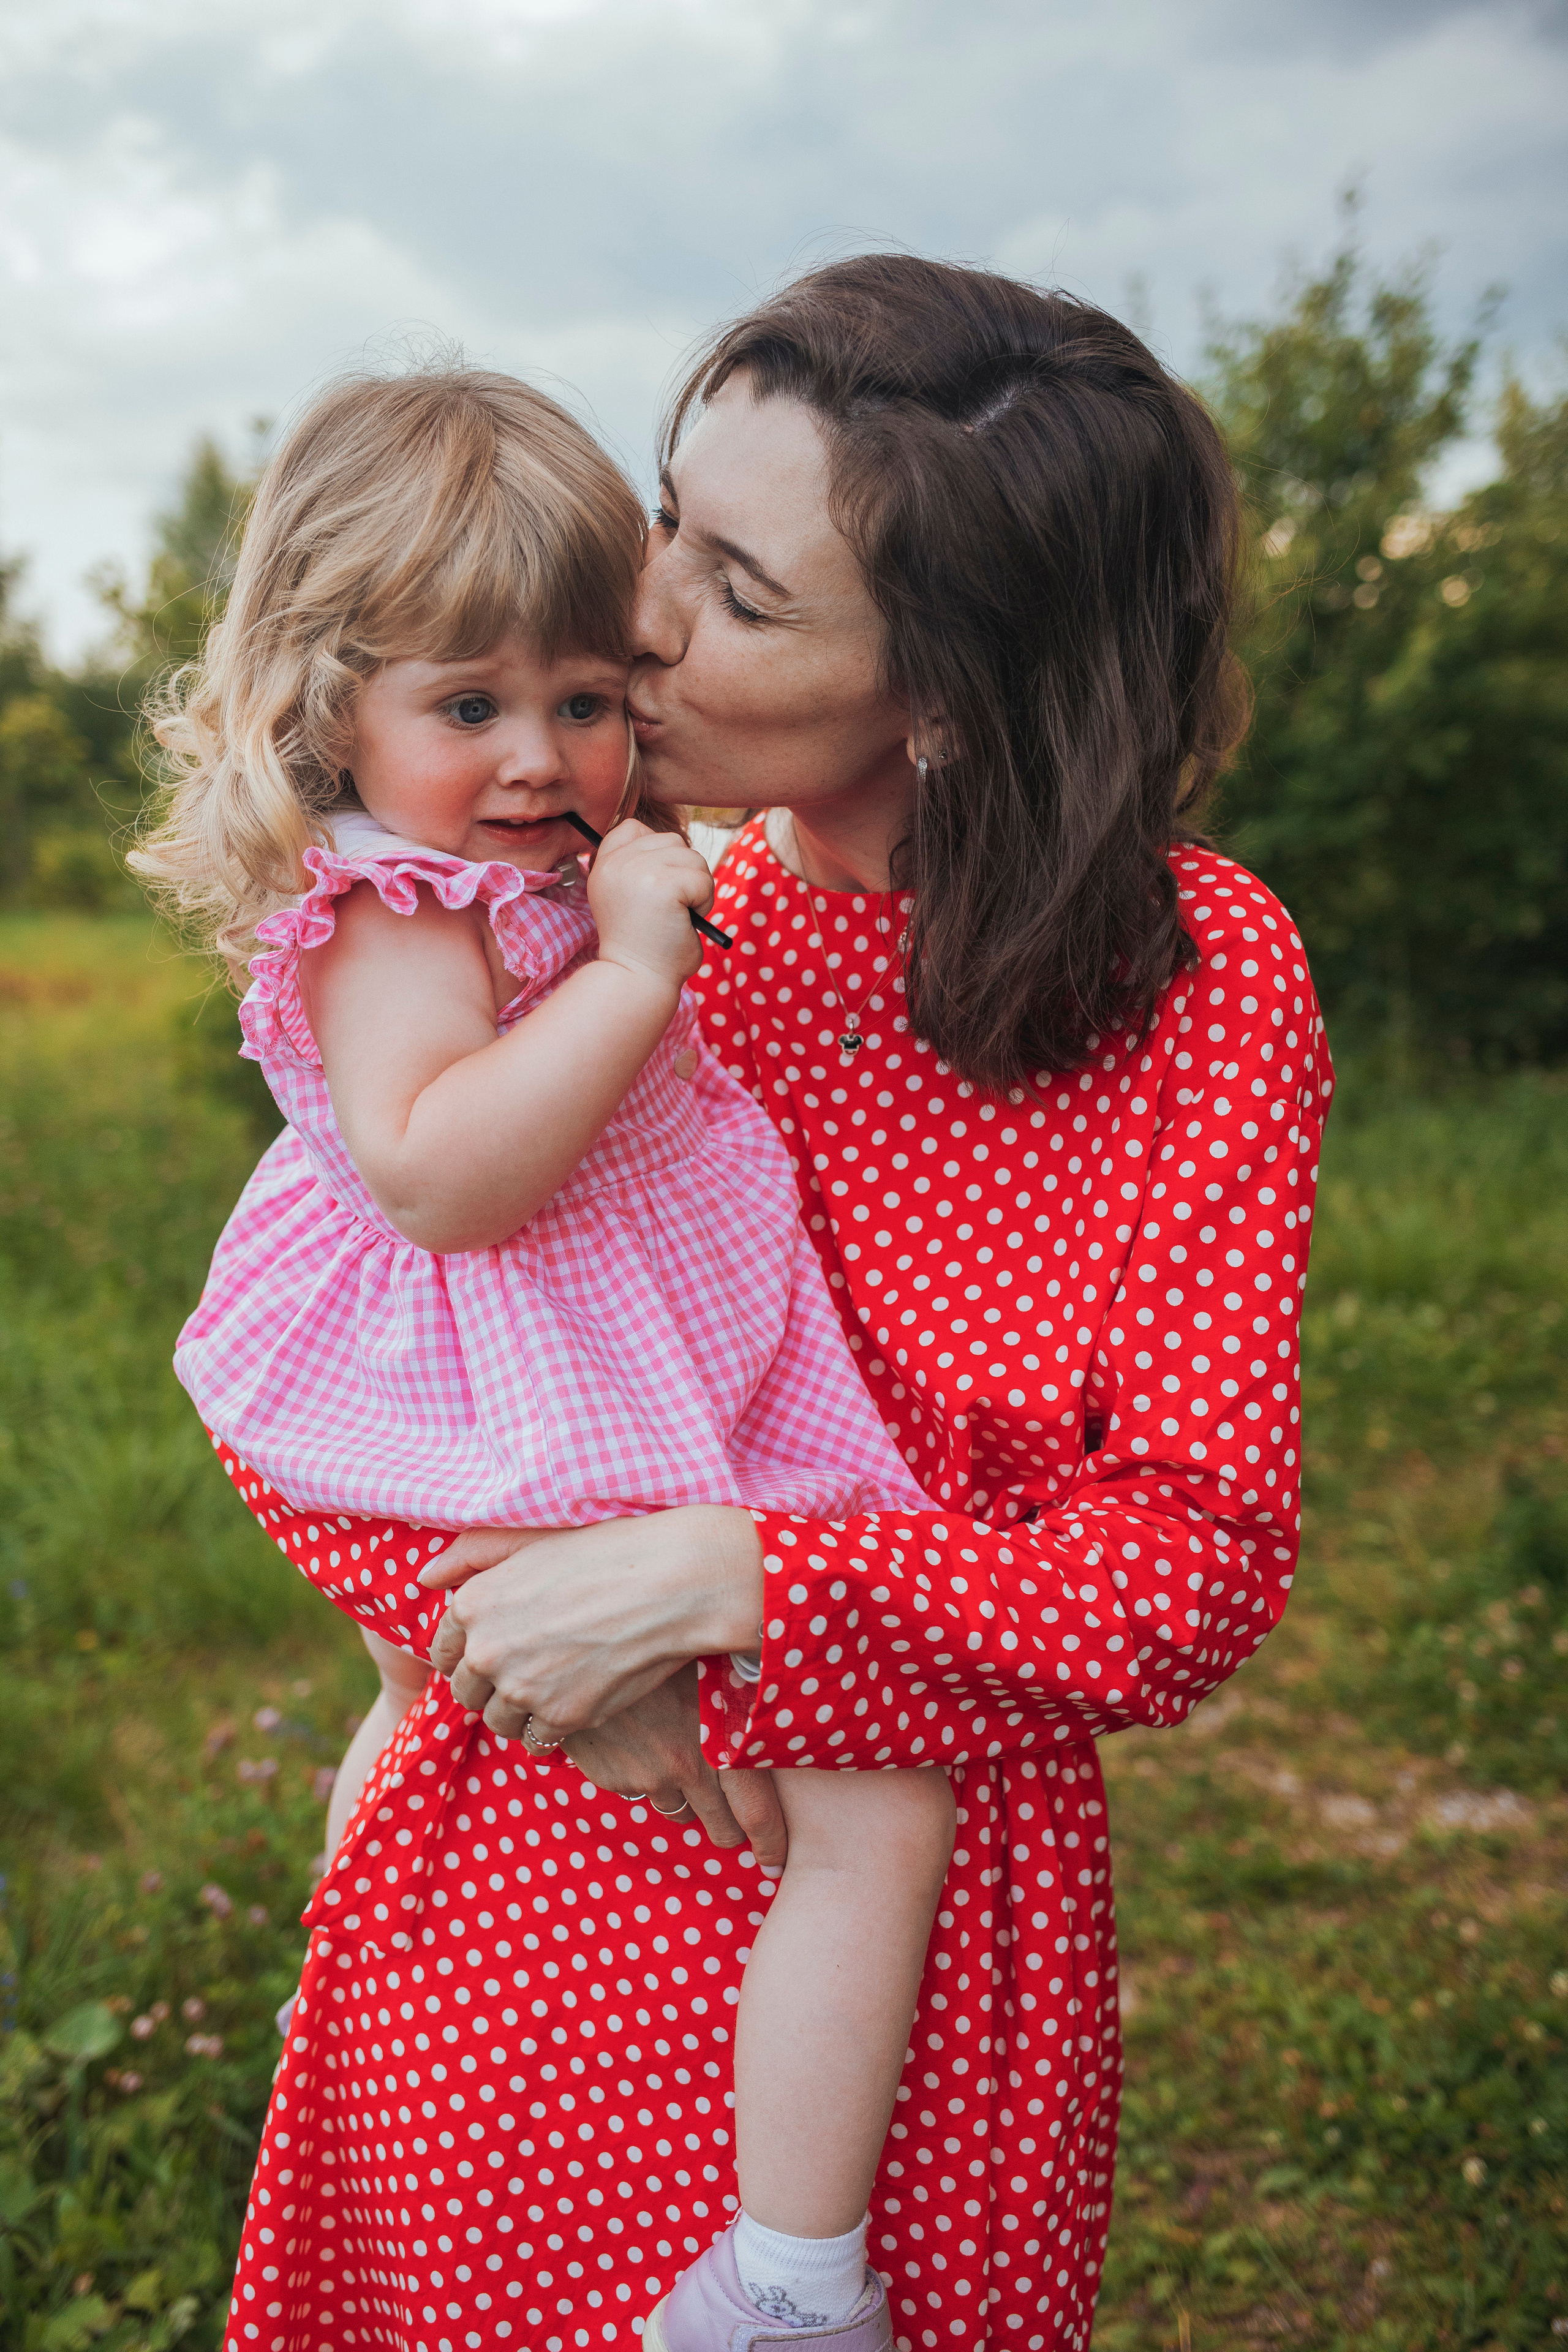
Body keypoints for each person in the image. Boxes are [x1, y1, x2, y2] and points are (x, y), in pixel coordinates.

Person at [421, 256, 1335, 2350]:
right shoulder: (594, 919)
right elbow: (347, 1343)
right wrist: (499, 1636)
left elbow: (1180, 1576)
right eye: (668, 514)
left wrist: (725, 1581)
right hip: (537, 1830)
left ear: (949, 690)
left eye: (742, 592)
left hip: (890, 1955)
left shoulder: (1192, 984)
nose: (634, 610)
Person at [133, 363, 971, 2352]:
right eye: (468, 705)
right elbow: (441, 1178)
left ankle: (712, 2214)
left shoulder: (524, 870)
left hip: (602, 1347)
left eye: (585, 699)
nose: (538, 757)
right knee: (864, 1790)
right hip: (503, 1372)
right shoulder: (396, 908)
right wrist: (638, 972)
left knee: (457, 1716)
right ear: (329, 704)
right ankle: (790, 2278)